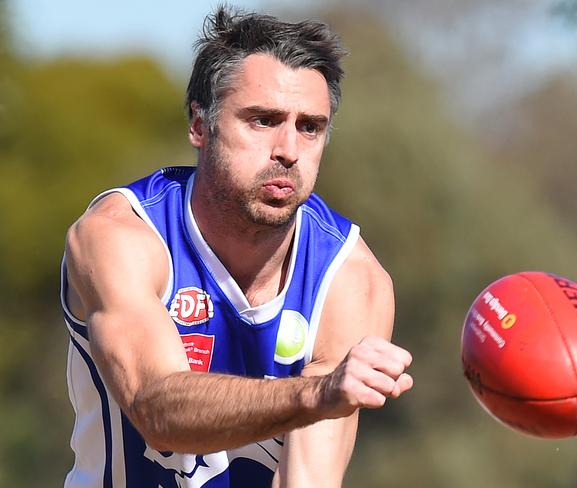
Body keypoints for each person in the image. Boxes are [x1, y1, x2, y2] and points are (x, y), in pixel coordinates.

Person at [61, 6, 413, 488]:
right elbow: (156, 409)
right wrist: (314, 394)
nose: (289, 149)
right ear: (200, 126)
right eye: (263, 120)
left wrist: (321, 397)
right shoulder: (118, 236)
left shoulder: (352, 280)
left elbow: (308, 479)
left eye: (310, 126)